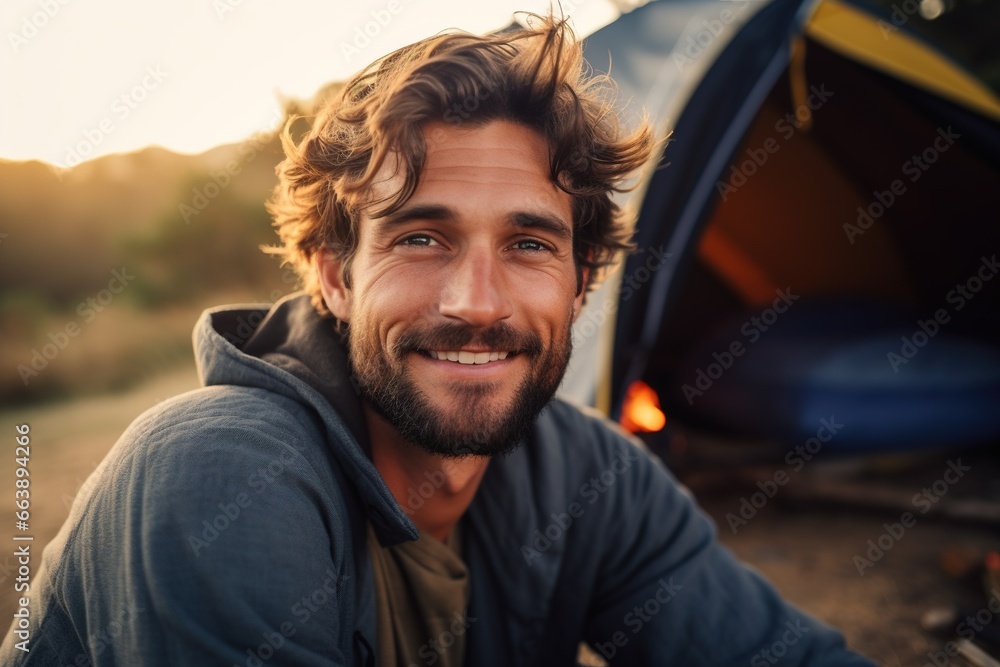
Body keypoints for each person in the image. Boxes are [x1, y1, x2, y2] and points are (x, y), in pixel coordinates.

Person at [1, 14, 876, 667]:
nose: (475, 303)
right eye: (422, 237)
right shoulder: (217, 474)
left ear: (582, 284)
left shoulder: (589, 478)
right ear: (335, 276)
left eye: (530, 244)